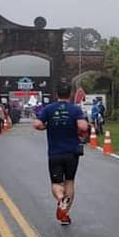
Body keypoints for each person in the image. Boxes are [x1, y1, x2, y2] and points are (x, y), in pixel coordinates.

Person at [34, 83, 89, 225]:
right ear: (70, 94)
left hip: (55, 152)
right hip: (72, 152)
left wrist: (47, 126)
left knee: (56, 183)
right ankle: (65, 214)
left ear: (56, 93)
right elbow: (83, 126)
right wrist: (81, 131)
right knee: (69, 181)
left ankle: (60, 198)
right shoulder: (75, 109)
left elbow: (37, 124)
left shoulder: (49, 109)